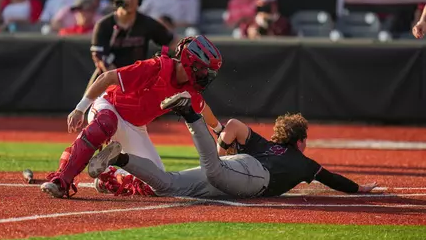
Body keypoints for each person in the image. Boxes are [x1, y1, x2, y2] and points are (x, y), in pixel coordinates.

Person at [88, 92, 378, 198]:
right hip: (252, 178)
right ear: (300, 141)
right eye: (305, 140)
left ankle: (120, 159)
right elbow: (332, 179)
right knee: (212, 170)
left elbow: (236, 125)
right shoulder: (304, 163)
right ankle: (190, 114)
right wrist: (359, 188)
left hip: (235, 172)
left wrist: (224, 145)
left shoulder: (266, 144)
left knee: (166, 186)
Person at [40, 35, 224, 198]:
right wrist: (80, 108)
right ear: (190, 62)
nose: (205, 76)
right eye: (203, 70)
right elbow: (107, 77)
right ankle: (61, 180)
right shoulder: (156, 67)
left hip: (135, 126)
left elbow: (203, 109)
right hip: (110, 105)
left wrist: (220, 131)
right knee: (105, 124)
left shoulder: (190, 89)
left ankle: (109, 177)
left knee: (157, 181)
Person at [86, 0, 176, 93]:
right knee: (87, 108)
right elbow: (100, 58)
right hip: (108, 81)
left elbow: (172, 42)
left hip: (137, 81)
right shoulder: (104, 25)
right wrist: (120, 81)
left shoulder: (147, 23)